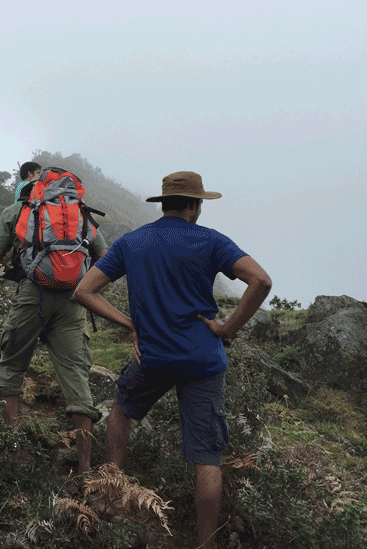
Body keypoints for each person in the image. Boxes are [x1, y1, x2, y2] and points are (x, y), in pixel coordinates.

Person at [73, 171, 272, 549]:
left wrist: (130, 323)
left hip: (153, 356)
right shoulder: (211, 241)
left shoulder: (133, 242)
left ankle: (110, 497)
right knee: (207, 458)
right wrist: (227, 329)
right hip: (203, 360)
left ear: (163, 204)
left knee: (122, 409)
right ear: (195, 206)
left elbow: (84, 291)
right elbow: (260, 281)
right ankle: (205, 543)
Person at [0, 162, 107, 473]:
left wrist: (16, 274)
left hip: (31, 296)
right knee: (77, 376)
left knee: (12, 365)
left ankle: (10, 449)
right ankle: (85, 468)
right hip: (72, 301)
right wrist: (83, 288)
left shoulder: (16, 211)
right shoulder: (80, 213)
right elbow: (105, 260)